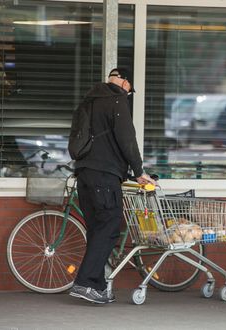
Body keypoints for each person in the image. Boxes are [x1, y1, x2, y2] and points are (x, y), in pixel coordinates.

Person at [69, 68, 156, 304]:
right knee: (109, 227)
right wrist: (138, 172)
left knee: (98, 230)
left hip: (84, 174)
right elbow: (126, 138)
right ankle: (85, 283)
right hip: (103, 177)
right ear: (124, 83)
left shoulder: (89, 100)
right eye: (129, 89)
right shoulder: (116, 100)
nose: (128, 94)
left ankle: (96, 286)